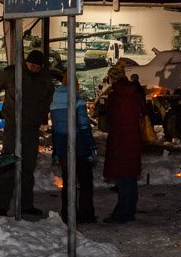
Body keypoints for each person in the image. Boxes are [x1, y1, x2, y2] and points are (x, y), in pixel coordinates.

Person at [0, 49, 54, 216]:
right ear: (26, 62)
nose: (34, 69)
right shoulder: (12, 73)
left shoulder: (44, 78)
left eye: (37, 67)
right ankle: (2, 205)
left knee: (28, 168)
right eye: (32, 65)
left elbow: (49, 95)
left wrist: (42, 112)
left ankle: (26, 204)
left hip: (32, 128)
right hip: (13, 126)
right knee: (8, 165)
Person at [50, 80, 96, 224]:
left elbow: (55, 129)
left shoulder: (54, 103)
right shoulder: (77, 101)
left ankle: (68, 214)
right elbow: (83, 125)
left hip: (63, 146)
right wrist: (91, 145)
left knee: (68, 181)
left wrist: (57, 149)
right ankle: (86, 214)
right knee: (85, 181)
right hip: (80, 145)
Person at [102, 73, 144, 223]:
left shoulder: (116, 97)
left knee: (123, 180)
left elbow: (115, 123)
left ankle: (121, 213)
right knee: (130, 179)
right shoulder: (134, 94)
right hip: (133, 141)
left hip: (121, 142)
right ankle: (130, 210)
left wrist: (113, 148)